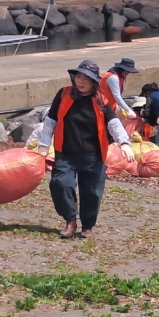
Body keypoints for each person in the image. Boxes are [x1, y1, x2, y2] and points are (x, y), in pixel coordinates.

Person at [32, 60, 134, 239]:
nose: (81, 81)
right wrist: (43, 147)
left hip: (92, 155)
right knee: (60, 184)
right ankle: (70, 219)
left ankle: (87, 225)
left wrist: (124, 143)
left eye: (86, 78)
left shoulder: (100, 100)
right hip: (66, 154)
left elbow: (113, 123)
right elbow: (51, 122)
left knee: (92, 192)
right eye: (78, 76)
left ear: (94, 82)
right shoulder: (64, 94)